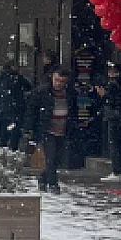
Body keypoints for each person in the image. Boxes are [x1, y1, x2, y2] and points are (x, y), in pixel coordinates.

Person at [29, 65, 77, 193]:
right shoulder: (42, 92)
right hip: (47, 129)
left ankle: (43, 178)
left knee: (58, 158)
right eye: (57, 80)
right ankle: (53, 184)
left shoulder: (69, 93)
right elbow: (32, 111)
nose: (58, 84)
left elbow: (73, 109)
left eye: (62, 81)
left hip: (63, 129)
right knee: (51, 157)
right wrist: (30, 129)